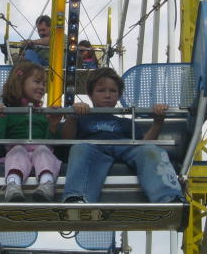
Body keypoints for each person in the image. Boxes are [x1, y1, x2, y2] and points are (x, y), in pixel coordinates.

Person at [61, 67, 184, 203]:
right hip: (92, 149)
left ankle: (169, 197)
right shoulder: (82, 119)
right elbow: (67, 141)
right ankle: (78, 197)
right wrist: (72, 116)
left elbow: (143, 146)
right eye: (101, 91)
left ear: (119, 95)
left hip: (124, 146)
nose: (107, 95)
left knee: (151, 150)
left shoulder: (127, 123)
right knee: (80, 147)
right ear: (90, 95)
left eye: (112, 91)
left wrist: (158, 122)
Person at [0, 61, 62, 202]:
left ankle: (47, 184)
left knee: (43, 150)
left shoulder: (43, 114)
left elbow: (50, 141)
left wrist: (53, 125)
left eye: (44, 84)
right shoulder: (8, 112)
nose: (42, 87)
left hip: (40, 150)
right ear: (20, 82)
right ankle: (13, 184)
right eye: (37, 82)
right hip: (17, 150)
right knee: (17, 151)